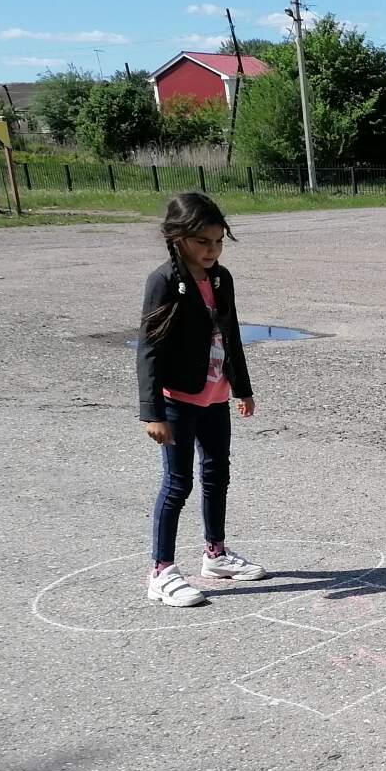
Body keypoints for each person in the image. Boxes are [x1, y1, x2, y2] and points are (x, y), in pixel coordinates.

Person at [136, 192, 266, 608]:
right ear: (177, 238)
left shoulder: (222, 279)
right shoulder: (164, 281)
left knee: (217, 475)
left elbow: (230, 336)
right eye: (203, 242)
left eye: (217, 242)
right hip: (178, 398)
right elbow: (149, 349)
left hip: (215, 394)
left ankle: (216, 554)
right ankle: (161, 572)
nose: (212, 251)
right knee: (178, 483)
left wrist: (242, 388)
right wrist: (152, 412)